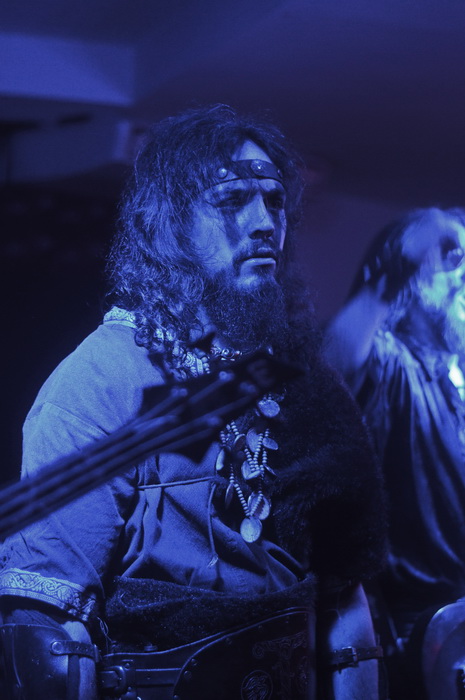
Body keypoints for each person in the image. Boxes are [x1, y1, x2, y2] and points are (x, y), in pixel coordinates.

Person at [0, 104, 386, 699]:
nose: (264, 223)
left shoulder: (306, 382)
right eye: (232, 200)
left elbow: (344, 600)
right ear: (170, 225)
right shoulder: (100, 380)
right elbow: (46, 627)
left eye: (274, 201)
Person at [324, 206, 465, 699]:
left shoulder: (456, 376)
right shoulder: (394, 363)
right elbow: (336, 361)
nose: (463, 274)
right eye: (450, 257)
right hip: (422, 637)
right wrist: (397, 264)